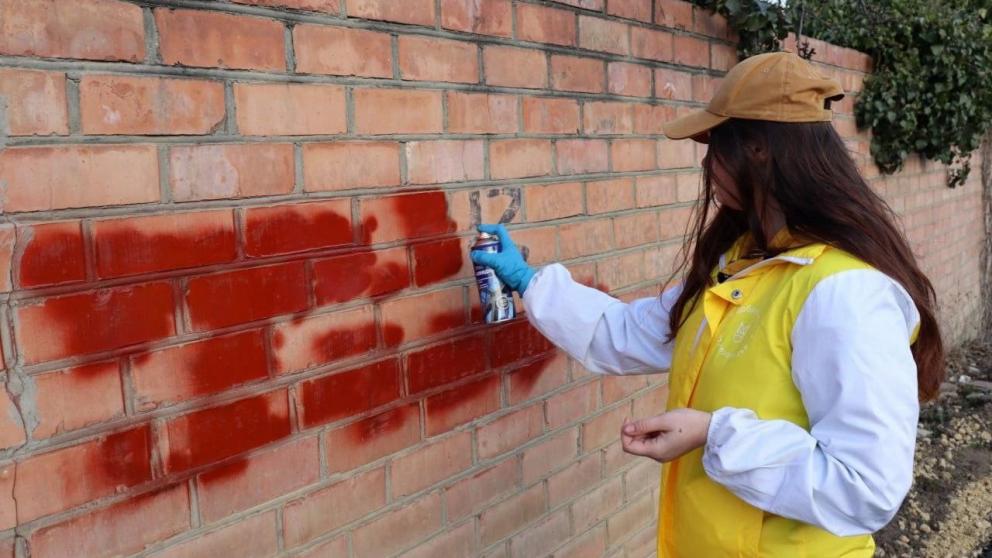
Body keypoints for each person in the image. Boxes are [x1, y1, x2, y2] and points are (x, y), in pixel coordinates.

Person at [470, 51, 943, 557]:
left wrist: (714, 433)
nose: (706, 163)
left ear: (759, 150)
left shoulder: (844, 294)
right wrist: (530, 280)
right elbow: (625, 333)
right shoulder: (743, 266)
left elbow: (865, 487)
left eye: (716, 145)